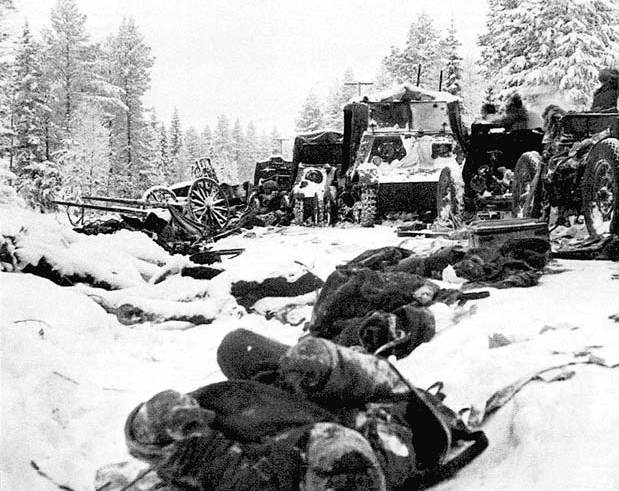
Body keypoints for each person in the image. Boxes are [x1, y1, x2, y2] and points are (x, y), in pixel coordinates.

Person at [123, 329, 487, 491]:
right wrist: (329, 364)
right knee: (303, 365)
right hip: (351, 426)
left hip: (277, 422)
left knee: (234, 346)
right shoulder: (377, 447)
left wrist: (198, 447)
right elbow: (385, 392)